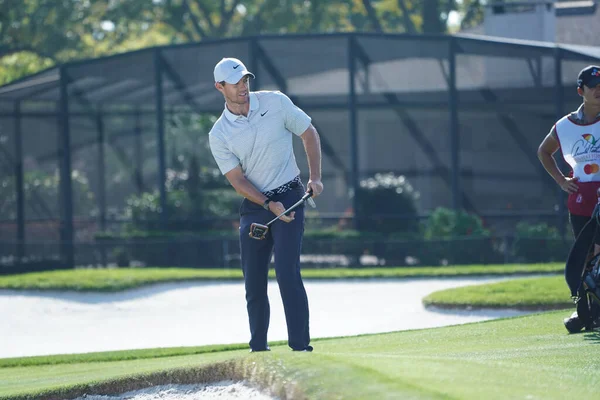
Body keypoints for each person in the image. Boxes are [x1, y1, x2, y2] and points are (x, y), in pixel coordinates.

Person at [208, 57, 323, 351]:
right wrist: (267, 203)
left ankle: (300, 346)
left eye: (245, 80)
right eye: (235, 83)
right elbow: (238, 181)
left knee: (287, 272)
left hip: (290, 195)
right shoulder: (219, 134)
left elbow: (309, 133)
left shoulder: (275, 102)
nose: (243, 87)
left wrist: (316, 177)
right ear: (220, 87)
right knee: (254, 282)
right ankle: (258, 347)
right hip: (256, 204)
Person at [537, 65, 600, 333]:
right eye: (593, 85)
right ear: (580, 91)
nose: (599, 90)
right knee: (584, 256)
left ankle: (594, 314)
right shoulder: (564, 126)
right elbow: (544, 151)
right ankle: (585, 312)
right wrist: (562, 181)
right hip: (581, 199)